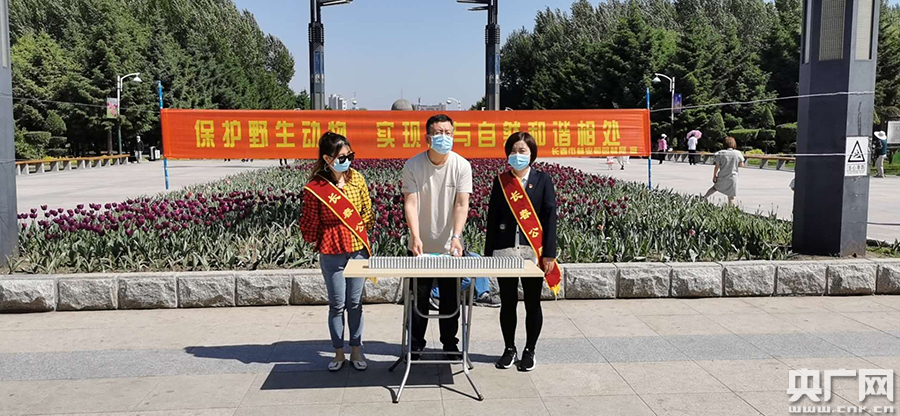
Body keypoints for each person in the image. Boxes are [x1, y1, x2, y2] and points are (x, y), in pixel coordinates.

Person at [300, 131, 374, 372]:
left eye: (350, 155)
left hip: (357, 249)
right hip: (332, 250)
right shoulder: (316, 187)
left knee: (355, 303)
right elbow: (309, 221)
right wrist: (320, 238)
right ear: (327, 159)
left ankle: (357, 349)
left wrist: (359, 230)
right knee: (337, 304)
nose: (347, 160)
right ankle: (339, 352)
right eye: (342, 157)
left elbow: (367, 212)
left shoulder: (358, 179)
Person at [485, 132, 558, 372]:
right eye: (513, 151)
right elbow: (492, 218)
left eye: (522, 151)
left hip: (532, 252)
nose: (517, 155)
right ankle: (509, 349)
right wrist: (488, 254)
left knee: (532, 302)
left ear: (532, 154)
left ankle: (529, 350)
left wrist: (549, 253)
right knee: (507, 302)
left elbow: (550, 218)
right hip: (505, 250)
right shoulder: (501, 181)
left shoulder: (543, 179)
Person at [401, 114, 473, 360]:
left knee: (451, 299)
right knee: (418, 298)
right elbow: (410, 203)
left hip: (449, 247)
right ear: (427, 138)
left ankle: (450, 344)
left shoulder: (462, 166)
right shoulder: (413, 165)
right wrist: (415, 236)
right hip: (420, 246)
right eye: (439, 133)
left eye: (448, 132)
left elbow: (461, 204)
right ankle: (416, 344)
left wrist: (456, 236)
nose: (444, 137)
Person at [703, 136, 745, 204]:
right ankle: (730, 209)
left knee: (715, 188)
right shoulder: (737, 153)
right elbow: (741, 165)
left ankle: (704, 197)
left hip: (722, 176)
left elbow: (716, 166)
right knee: (731, 196)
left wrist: (714, 176)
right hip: (732, 177)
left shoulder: (720, 153)